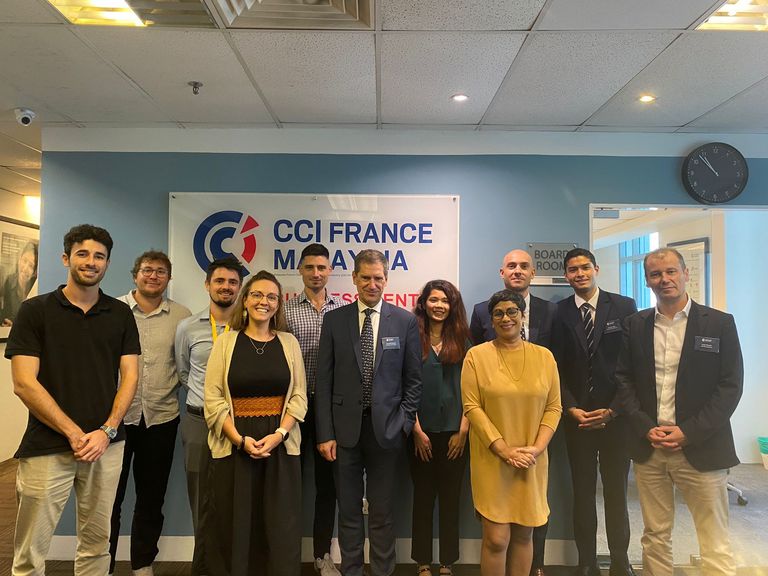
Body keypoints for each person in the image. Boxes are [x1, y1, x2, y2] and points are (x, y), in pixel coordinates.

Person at [5, 224, 140, 576]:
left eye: (99, 256)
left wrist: (107, 431)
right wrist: (74, 433)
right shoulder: (34, 311)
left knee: (97, 545)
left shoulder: (120, 314)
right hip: (47, 445)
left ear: (107, 263)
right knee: (30, 552)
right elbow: (23, 383)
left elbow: (131, 376)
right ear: (66, 258)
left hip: (105, 446)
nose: (91, 262)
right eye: (83, 254)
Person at [616, 248, 743, 576]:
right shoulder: (635, 324)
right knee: (655, 537)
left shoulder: (719, 323)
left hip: (702, 445)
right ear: (647, 281)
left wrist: (689, 432)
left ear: (686, 274)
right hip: (650, 446)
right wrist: (645, 427)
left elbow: (730, 387)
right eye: (656, 274)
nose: (664, 279)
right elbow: (624, 380)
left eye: (671, 271)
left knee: (714, 539)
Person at [315, 249, 422, 576]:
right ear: (354, 278)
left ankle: (382, 571)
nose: (372, 284)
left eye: (378, 278)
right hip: (343, 433)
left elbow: (413, 381)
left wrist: (404, 424)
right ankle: (351, 571)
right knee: (348, 511)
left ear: (386, 279)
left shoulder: (404, 321)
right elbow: (324, 381)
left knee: (382, 512)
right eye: (365, 277)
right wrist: (325, 433)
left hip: (387, 432)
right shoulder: (335, 320)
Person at [204, 270, 308, 576]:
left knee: (279, 523)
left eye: (272, 297)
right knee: (234, 523)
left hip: (280, 445)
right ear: (245, 300)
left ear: (279, 304)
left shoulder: (289, 343)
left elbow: (299, 396)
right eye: (258, 295)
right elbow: (213, 398)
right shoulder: (226, 342)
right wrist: (239, 440)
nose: (265, 301)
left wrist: (280, 434)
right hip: (235, 445)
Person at [468, 248, 556, 576]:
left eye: (512, 312)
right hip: (492, 458)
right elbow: (472, 407)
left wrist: (536, 449)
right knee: (495, 539)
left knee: (524, 534)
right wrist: (504, 450)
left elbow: (554, 407)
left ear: (522, 316)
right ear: (490, 320)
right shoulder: (476, 356)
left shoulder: (544, 357)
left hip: (532, 458)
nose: (506, 318)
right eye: (499, 313)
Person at [551, 248, 637, 576]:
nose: (580, 274)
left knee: (616, 493)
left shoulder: (624, 306)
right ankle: (586, 561)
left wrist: (614, 410)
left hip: (616, 419)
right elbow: (554, 367)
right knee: (583, 494)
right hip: (578, 420)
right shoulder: (559, 313)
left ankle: (620, 561)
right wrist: (570, 407)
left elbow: (633, 364)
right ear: (566, 275)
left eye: (585, 267)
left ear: (596, 269)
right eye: (573, 270)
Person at [108, 250, 191, 576]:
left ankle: (142, 564)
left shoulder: (181, 316)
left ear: (168, 279)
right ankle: (103, 564)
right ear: (135, 275)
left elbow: (185, 364)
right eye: (147, 270)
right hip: (114, 421)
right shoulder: (113, 310)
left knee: (151, 498)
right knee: (108, 499)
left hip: (161, 419)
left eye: (160, 271)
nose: (153, 276)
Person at [175, 256, 243, 576]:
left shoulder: (248, 326)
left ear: (240, 287)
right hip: (199, 421)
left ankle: (233, 565)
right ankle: (203, 567)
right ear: (207, 285)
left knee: (236, 497)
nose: (226, 287)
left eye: (232, 282)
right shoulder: (187, 328)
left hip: (239, 423)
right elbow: (184, 373)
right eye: (220, 281)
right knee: (202, 497)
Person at [284, 243, 343, 576]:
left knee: (327, 486)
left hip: (329, 409)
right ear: (300, 270)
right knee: (289, 484)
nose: (316, 273)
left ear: (330, 270)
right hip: (293, 407)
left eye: (322, 267)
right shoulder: (286, 311)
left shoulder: (343, 310)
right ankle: (285, 555)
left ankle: (323, 555)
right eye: (310, 267)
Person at [410, 280, 470, 576]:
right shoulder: (412, 338)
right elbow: (404, 386)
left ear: (452, 305)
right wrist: (416, 431)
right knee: (422, 498)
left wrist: (463, 431)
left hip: (455, 434)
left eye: (445, 301)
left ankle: (447, 561)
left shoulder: (463, 340)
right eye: (434, 300)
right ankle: (422, 561)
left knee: (450, 499)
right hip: (419, 434)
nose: (439, 306)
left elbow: (473, 391)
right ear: (424, 303)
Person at [1, 240, 38, 326]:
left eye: (31, 265)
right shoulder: (9, 281)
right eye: (24, 260)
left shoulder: (36, 287)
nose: (25, 268)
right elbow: (5, 314)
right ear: (19, 260)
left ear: (34, 272)